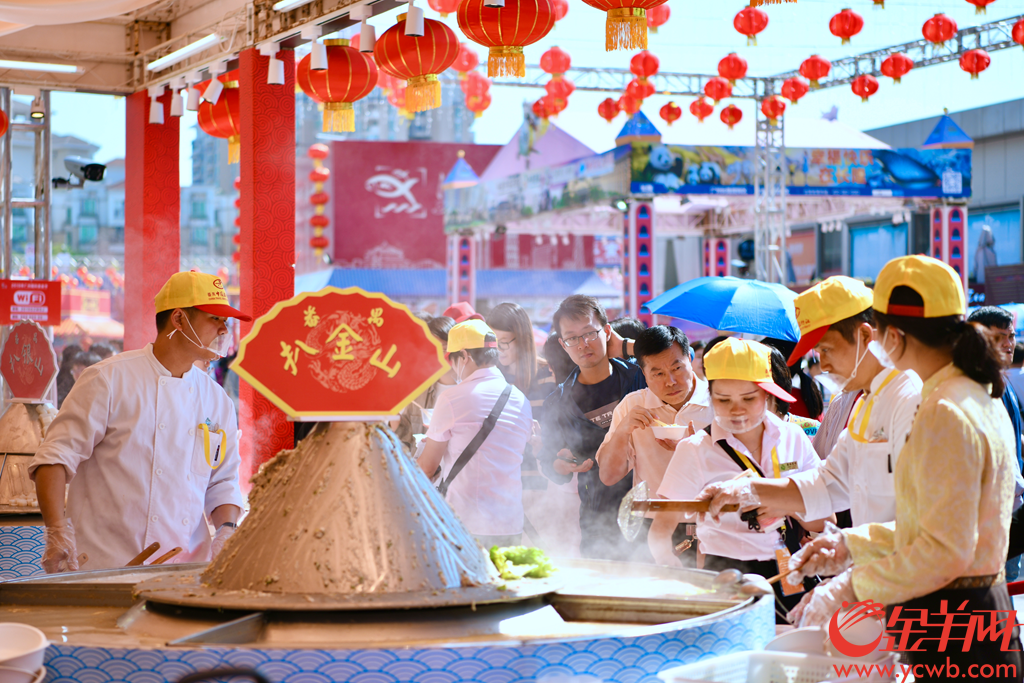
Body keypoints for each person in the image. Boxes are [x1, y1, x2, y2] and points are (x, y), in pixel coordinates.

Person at [786, 256, 1022, 679]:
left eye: (875, 329)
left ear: (891, 335)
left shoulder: (944, 409)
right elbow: (938, 524)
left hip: (956, 619)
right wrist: (851, 547)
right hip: (975, 612)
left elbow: (945, 550)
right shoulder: (973, 394)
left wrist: (851, 584)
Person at [30, 270, 248, 572]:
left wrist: (226, 530)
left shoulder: (217, 399)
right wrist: (56, 531)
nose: (224, 329)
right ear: (179, 319)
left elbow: (223, 481)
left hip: (183, 571)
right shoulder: (108, 379)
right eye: (215, 318)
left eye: (226, 321)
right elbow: (54, 459)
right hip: (105, 566)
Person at [698, 276, 923, 533]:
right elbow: (830, 482)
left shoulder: (910, 398)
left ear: (864, 335)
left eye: (826, 350)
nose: (823, 365)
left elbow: (923, 514)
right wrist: (747, 490)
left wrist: (849, 547)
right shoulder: (865, 404)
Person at [650, 338, 828, 617]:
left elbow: (824, 521)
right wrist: (670, 565)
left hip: (789, 566)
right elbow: (660, 530)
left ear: (768, 396)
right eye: (723, 400)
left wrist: (783, 503)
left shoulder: (793, 437)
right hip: (725, 573)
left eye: (748, 399)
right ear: (710, 397)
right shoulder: (695, 449)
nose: (736, 410)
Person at [539, 295, 646, 560]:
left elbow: (680, 356)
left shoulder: (641, 377)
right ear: (563, 345)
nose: (582, 344)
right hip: (597, 513)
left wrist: (629, 347)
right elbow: (548, 458)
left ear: (607, 331)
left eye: (589, 333)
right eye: (572, 338)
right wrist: (559, 465)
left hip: (650, 506)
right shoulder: (558, 402)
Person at [418, 319, 532, 547]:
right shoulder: (521, 399)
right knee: (505, 581)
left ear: (465, 355)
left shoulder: (452, 398)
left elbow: (427, 466)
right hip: (509, 524)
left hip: (464, 523)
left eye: (451, 358)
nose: (451, 365)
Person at [597, 325, 713, 496]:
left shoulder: (717, 401)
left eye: (677, 368)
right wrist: (622, 431)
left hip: (707, 518)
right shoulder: (633, 405)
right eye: (658, 374)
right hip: (651, 518)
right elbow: (608, 477)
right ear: (644, 373)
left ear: (689, 358)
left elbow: (741, 471)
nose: (670, 382)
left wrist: (694, 451)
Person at [967, 306, 1024, 581]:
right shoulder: (971, 388)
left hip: (1010, 511)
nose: (1008, 344)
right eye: (999, 336)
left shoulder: (1003, 381)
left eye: (1011, 336)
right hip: (986, 521)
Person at [393, 316, 458, 454]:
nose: (439, 356)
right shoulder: (417, 392)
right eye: (432, 349)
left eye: (445, 349)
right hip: (423, 472)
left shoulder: (471, 391)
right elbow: (404, 437)